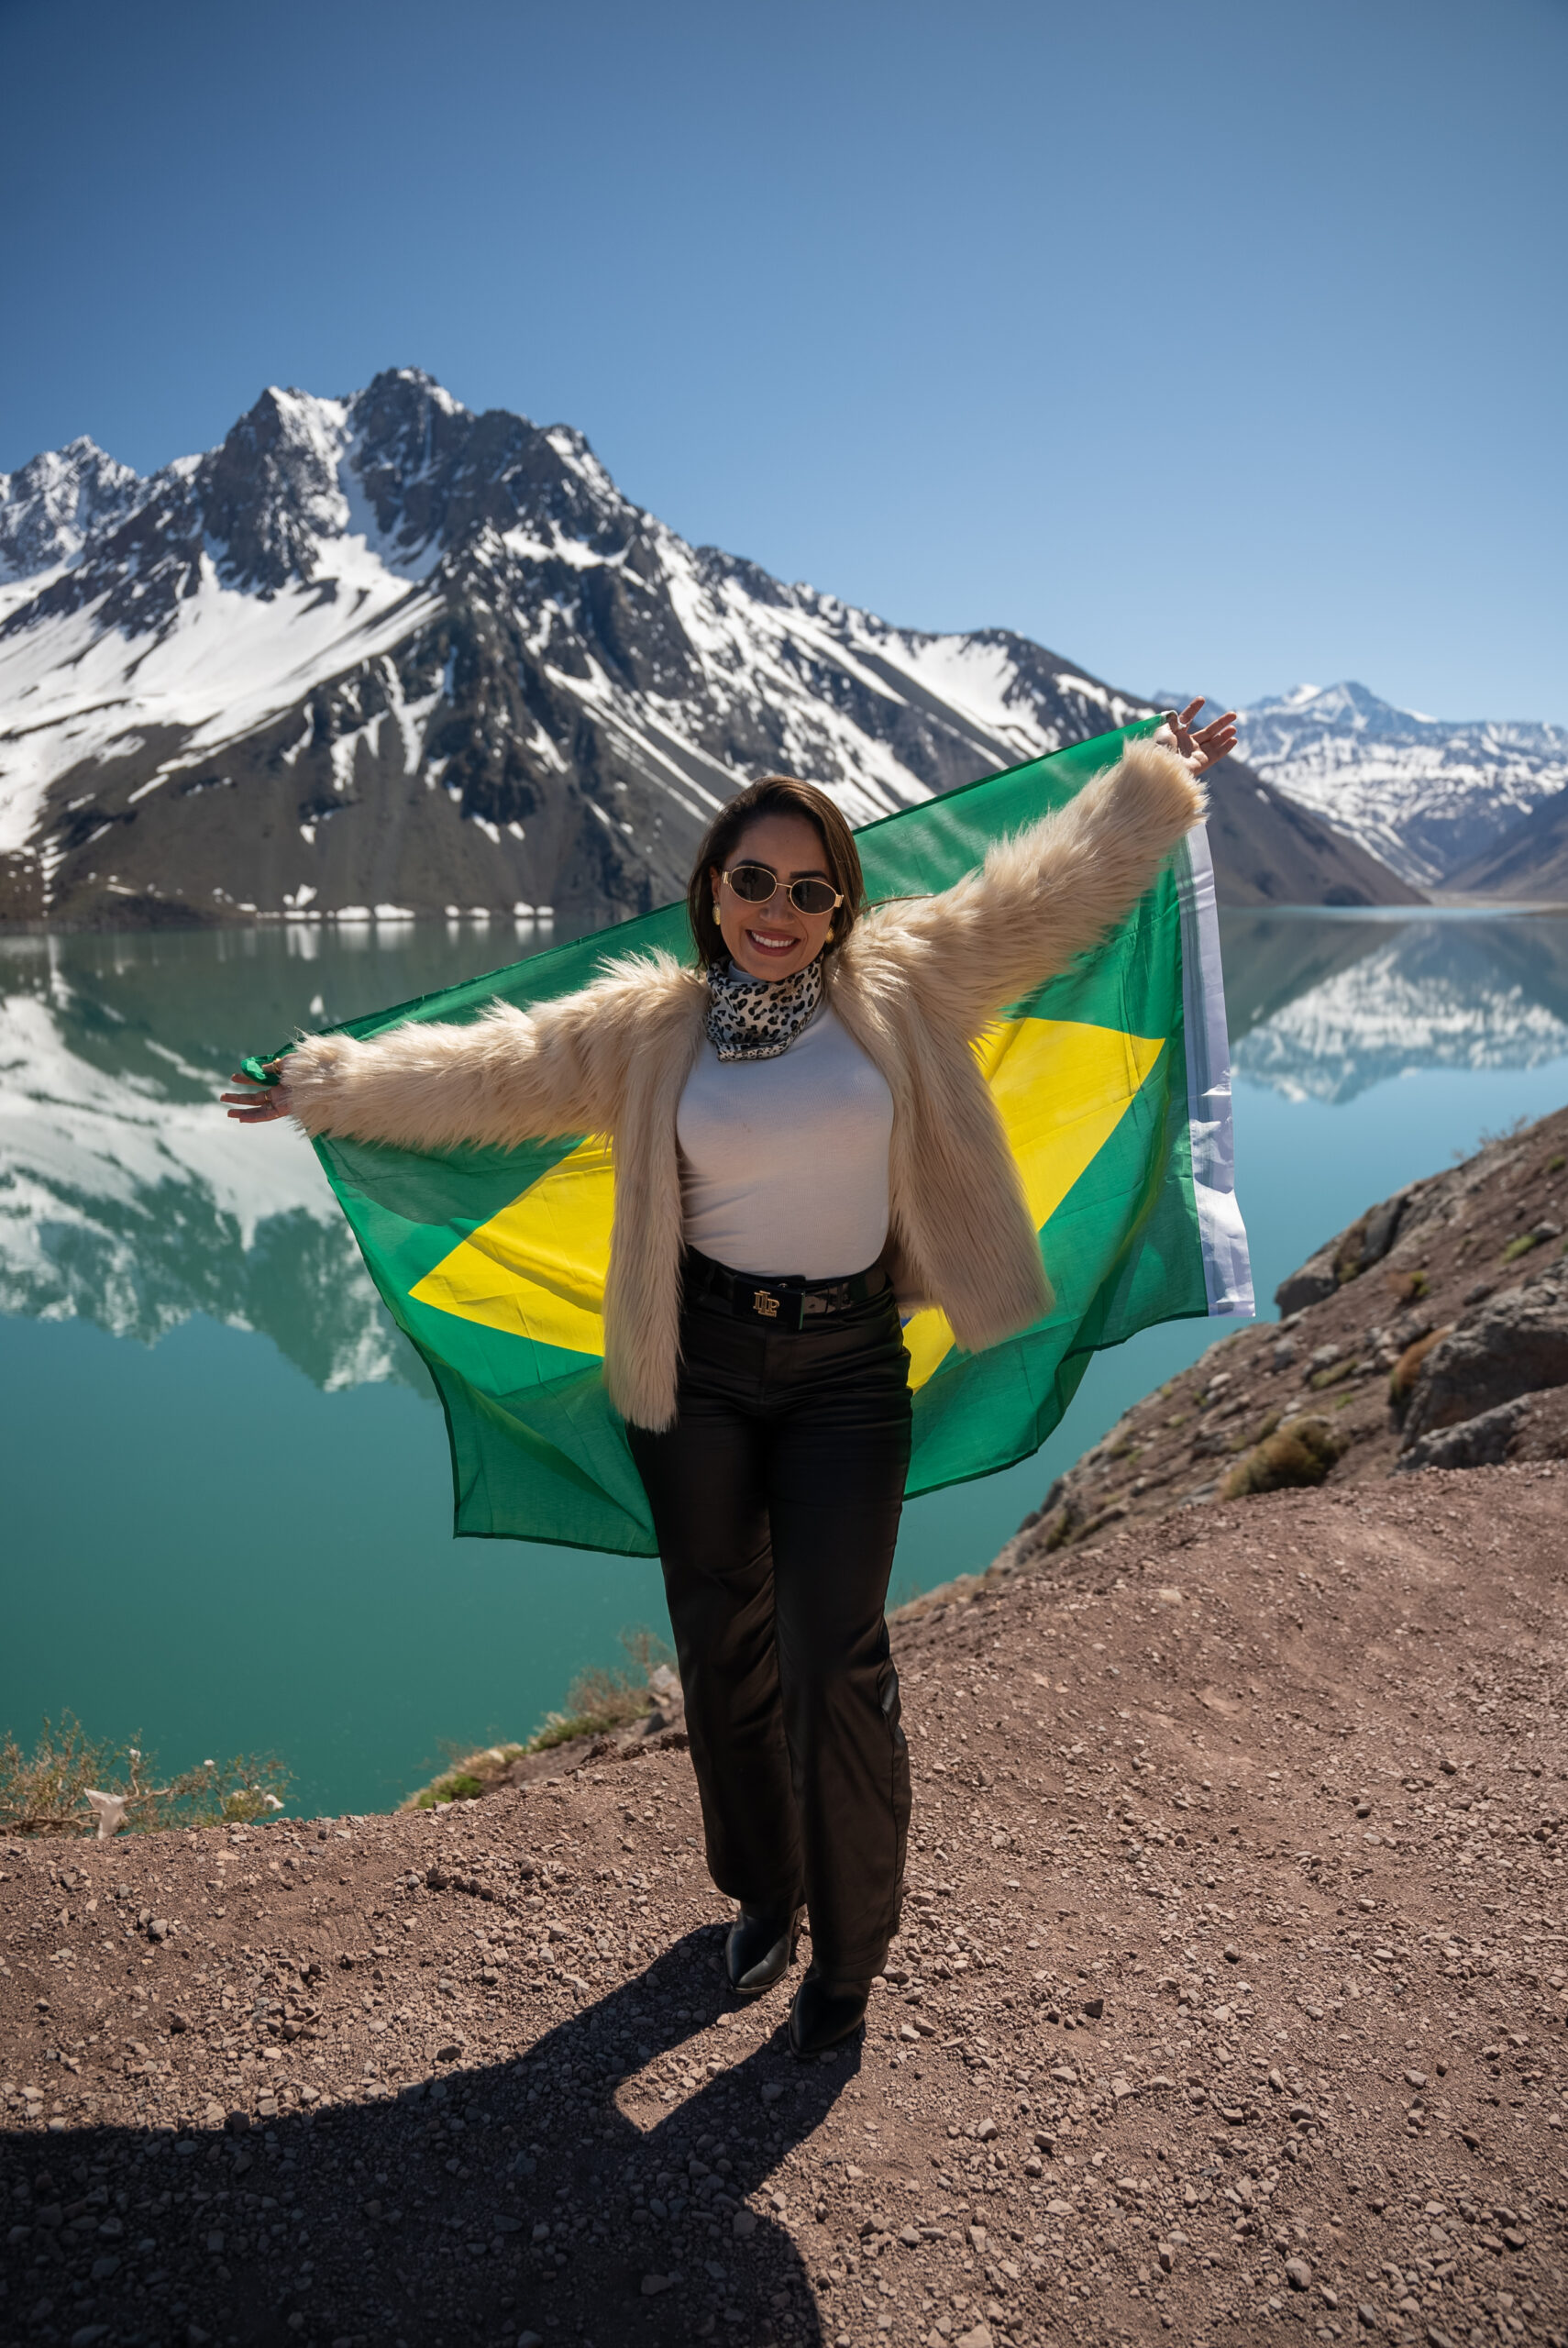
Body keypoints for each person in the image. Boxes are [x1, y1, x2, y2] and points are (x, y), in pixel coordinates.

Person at [226, 700, 1236, 2055]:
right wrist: (331, 1086)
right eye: (754, 880)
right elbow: (492, 1071)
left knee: (838, 1658)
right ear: (711, 889)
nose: (779, 910)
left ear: (841, 907)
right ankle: (767, 1892)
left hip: (846, 1373)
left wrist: (1153, 782)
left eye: (810, 891)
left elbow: (1043, 895)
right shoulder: (648, 1028)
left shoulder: (907, 981)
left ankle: (851, 1957)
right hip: (696, 1365)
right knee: (721, 1648)